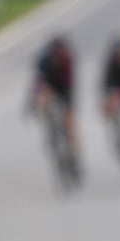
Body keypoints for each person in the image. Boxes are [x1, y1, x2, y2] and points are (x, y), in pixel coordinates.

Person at [31, 35, 81, 177]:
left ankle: (74, 154)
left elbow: (70, 84)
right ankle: (48, 129)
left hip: (65, 89)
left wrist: (68, 106)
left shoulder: (67, 60)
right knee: (42, 100)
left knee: (70, 123)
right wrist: (37, 100)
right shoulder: (44, 61)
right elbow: (37, 82)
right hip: (49, 88)